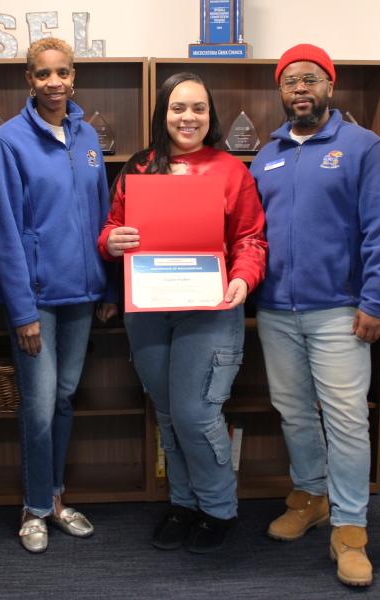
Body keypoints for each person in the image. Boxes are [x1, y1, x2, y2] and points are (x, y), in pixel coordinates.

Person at [250, 44, 380, 587]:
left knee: (345, 419)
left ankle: (351, 527)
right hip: (275, 310)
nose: (299, 89)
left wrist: (375, 299)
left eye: (310, 79)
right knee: (292, 411)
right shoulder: (266, 155)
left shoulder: (362, 147)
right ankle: (311, 496)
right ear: (281, 91)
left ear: (329, 86)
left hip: (340, 310)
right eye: (290, 81)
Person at [99, 72, 267, 554]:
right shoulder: (139, 166)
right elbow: (111, 230)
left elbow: (250, 239)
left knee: (197, 415)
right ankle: (182, 503)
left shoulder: (231, 171)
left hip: (209, 312)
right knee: (170, 415)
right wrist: (111, 241)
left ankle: (218, 509)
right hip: (149, 312)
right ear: (163, 113)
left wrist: (243, 277)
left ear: (209, 116)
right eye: (178, 108)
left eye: (197, 108)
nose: (187, 117)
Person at [0, 38, 115, 554]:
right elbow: (5, 234)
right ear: (29, 81)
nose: (54, 82)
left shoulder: (86, 138)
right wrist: (20, 311)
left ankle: (57, 498)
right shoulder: (10, 141)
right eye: (43, 74)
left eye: (62, 72)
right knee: (38, 407)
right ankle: (35, 506)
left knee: (63, 398)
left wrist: (108, 286)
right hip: (35, 300)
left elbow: (104, 214)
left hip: (82, 296)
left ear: (74, 75)